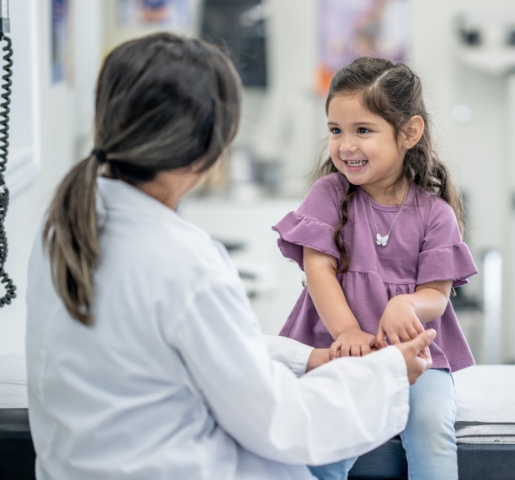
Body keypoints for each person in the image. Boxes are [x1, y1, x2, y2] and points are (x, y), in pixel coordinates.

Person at [25, 34, 437, 480]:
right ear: (212, 144)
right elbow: (281, 422)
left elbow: (176, 350)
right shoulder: (185, 263)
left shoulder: (66, 229)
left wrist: (305, 360)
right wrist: (390, 371)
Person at [273, 57, 478, 480]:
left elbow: (436, 294)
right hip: (338, 348)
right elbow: (318, 270)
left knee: (431, 430)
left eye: (362, 131)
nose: (346, 146)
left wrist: (409, 304)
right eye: (335, 130)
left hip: (418, 357)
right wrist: (347, 332)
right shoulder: (328, 193)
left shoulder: (435, 214)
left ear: (409, 133)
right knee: (324, 439)